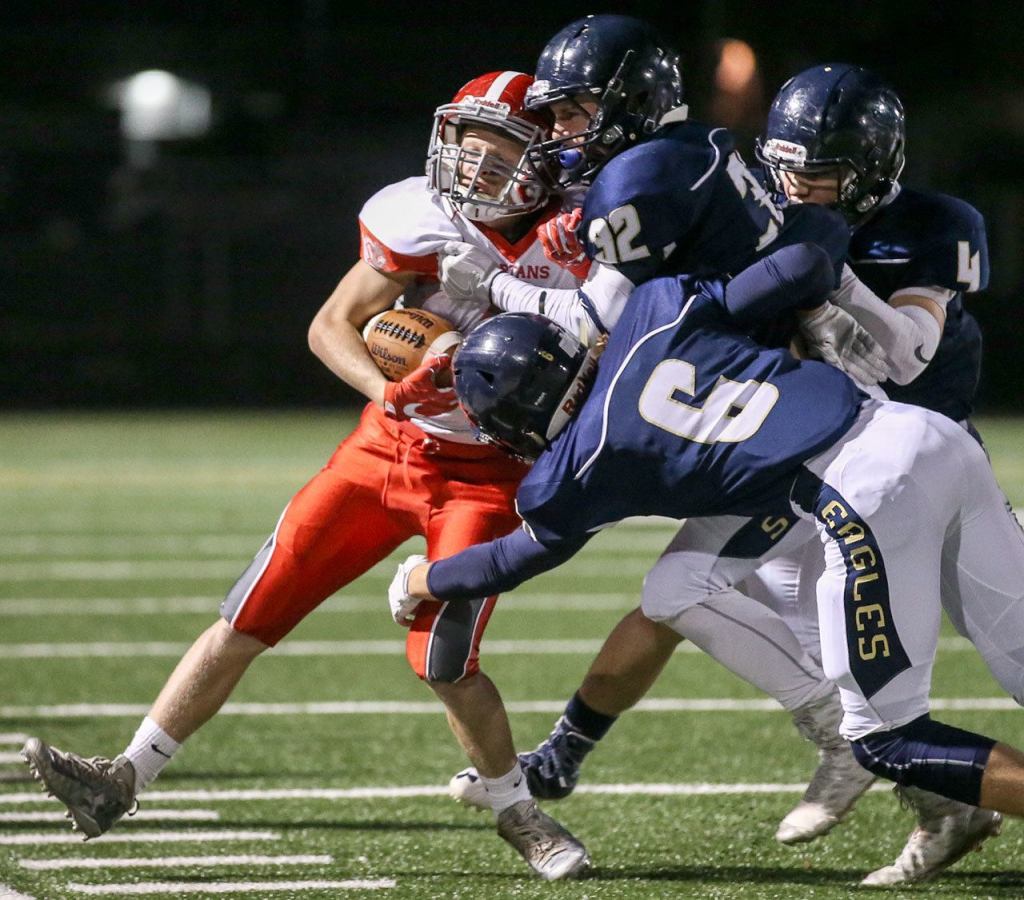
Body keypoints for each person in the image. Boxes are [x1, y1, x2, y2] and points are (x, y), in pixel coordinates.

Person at [20, 70, 591, 882]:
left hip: (487, 470)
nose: (470, 168)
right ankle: (124, 778)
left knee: (442, 659)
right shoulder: (420, 215)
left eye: (495, 153)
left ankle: (518, 812)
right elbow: (331, 325)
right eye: (466, 147)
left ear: (541, 159)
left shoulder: (577, 242)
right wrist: (391, 389)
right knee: (252, 609)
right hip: (386, 446)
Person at [458, 61, 1000, 887]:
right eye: (781, 169)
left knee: (911, 686)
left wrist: (821, 276)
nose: (794, 187)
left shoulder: (928, 224)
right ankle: (927, 793)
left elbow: (902, 354)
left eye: (815, 175)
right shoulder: (759, 218)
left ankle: (871, 756)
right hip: (810, 464)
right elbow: (700, 303)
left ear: (872, 168)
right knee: (709, 600)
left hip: (896, 457)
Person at [391, 249, 1024, 888]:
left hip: (861, 494)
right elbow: (801, 260)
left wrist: (423, 579)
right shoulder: (654, 311)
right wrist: (821, 314)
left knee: (887, 741)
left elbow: (512, 557)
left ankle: (890, 767)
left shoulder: (579, 467)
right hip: (922, 430)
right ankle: (941, 809)